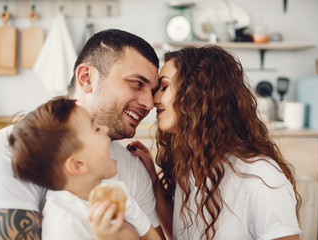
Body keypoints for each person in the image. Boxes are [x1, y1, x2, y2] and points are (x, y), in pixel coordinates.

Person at [0, 29, 165, 239]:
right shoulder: (9, 149)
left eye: (152, 90)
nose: (149, 104)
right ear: (86, 78)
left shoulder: (133, 168)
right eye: (137, 83)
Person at [128, 45, 302, 240]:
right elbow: (183, 233)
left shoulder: (260, 176)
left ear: (199, 93)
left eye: (165, 87)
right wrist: (154, 184)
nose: (154, 99)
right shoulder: (191, 166)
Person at [8, 96, 157, 240]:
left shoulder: (116, 191)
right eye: (96, 129)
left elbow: (149, 234)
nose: (105, 129)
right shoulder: (64, 223)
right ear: (78, 165)